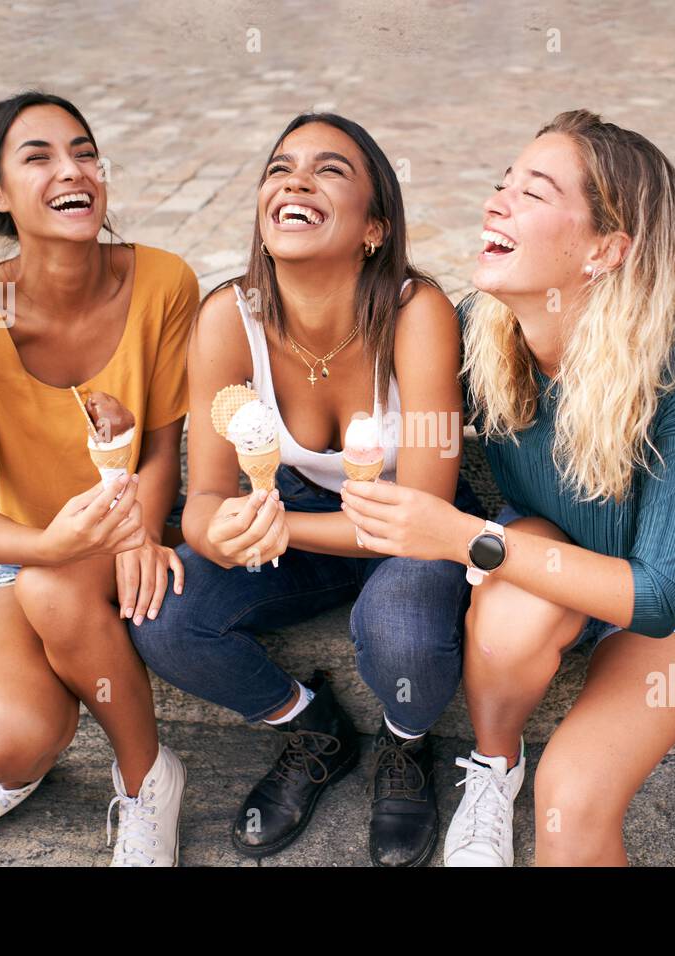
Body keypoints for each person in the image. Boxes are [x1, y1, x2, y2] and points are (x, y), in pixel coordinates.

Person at [340, 109, 675, 866]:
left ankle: (532, 775)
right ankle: (495, 768)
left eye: (531, 194)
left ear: (606, 248)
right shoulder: (478, 328)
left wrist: (464, 536)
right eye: (503, 185)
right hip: (552, 554)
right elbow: (347, 362)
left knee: (569, 798)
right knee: (505, 621)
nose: (495, 203)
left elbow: (657, 597)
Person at [128, 112, 485, 867]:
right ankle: (317, 727)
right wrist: (212, 532)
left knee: (405, 637)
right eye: (280, 167)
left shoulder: (418, 315)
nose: (294, 180)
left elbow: (423, 514)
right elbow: (203, 503)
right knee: (165, 623)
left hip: (412, 528)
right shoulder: (229, 317)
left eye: (330, 170)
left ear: (374, 229)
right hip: (299, 518)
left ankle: (406, 744)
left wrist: (273, 528)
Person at [0, 91, 198, 867]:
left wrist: (134, 530)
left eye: (85, 152)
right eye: (39, 157)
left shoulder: (164, 282)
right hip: (27, 545)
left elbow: (165, 448)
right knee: (4, 746)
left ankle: (149, 779)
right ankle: (10, 778)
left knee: (55, 588)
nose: (74, 170)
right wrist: (49, 543)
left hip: (139, 527)